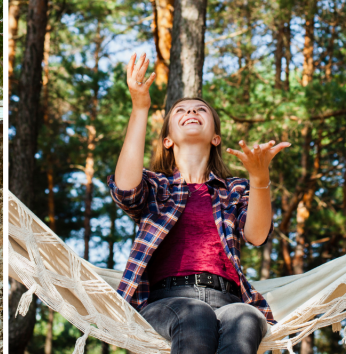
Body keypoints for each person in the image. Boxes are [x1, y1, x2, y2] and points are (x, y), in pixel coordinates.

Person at [109, 53, 286, 354]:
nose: (191, 110)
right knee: (196, 316)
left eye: (200, 109)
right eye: (181, 110)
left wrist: (259, 178)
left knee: (247, 316)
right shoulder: (157, 186)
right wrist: (140, 107)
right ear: (167, 139)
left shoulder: (234, 190)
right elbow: (126, 190)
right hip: (166, 303)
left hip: (230, 300)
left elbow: (256, 235)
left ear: (215, 137)